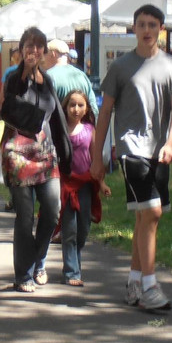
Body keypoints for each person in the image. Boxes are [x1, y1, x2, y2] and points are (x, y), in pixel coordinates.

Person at [90, 4, 172, 312]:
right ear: (133, 28)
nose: (147, 30)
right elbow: (105, 112)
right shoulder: (120, 67)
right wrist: (97, 157)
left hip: (159, 151)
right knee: (153, 213)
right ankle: (150, 285)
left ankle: (134, 281)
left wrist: (170, 143)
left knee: (144, 216)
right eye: (142, 24)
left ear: (161, 29)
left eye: (152, 24)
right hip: (131, 148)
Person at [0, 27, 72, 293]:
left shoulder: (48, 80)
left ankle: (37, 260)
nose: (34, 51)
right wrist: (25, 70)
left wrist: (66, 152)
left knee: (52, 211)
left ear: (45, 51)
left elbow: (55, 116)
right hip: (17, 152)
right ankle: (23, 275)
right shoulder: (13, 76)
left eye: (39, 46)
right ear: (21, 49)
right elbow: (12, 96)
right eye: (29, 46)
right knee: (25, 216)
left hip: (45, 152)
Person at [59, 90, 110, 287]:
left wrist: (102, 183)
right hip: (66, 185)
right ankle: (71, 271)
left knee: (83, 228)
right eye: (72, 105)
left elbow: (96, 159)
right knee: (69, 228)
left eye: (81, 105)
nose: (76, 109)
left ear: (87, 108)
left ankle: (74, 265)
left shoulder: (89, 130)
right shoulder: (60, 130)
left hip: (86, 185)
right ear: (65, 107)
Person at [43, 39, 97, 117]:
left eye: (45, 54)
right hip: (81, 127)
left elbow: (43, 109)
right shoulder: (82, 75)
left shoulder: (49, 76)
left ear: (53, 54)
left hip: (57, 128)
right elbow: (93, 108)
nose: (44, 58)